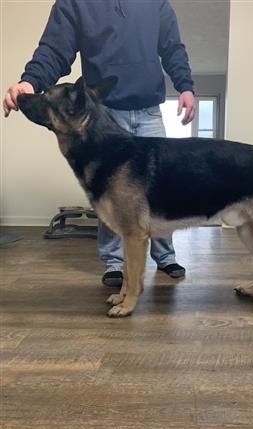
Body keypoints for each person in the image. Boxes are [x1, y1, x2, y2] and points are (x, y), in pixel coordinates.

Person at [3, 0, 195, 287]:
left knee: (158, 189)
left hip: (149, 109)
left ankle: (165, 255)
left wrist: (186, 86)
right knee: (110, 192)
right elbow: (55, 49)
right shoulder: (74, 3)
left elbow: (171, 46)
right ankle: (114, 261)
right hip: (105, 113)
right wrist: (31, 82)